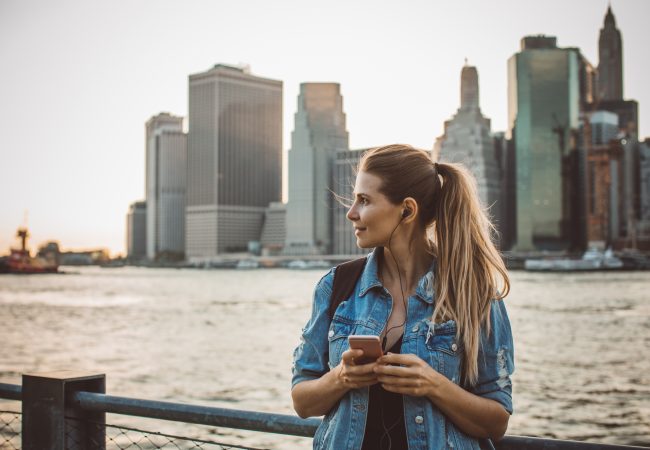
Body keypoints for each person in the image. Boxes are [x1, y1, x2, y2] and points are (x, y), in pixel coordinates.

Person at [291, 144, 514, 450]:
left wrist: (433, 385)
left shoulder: (472, 291)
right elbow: (302, 401)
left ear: (407, 210)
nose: (351, 213)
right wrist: (342, 376)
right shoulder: (336, 286)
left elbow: (496, 421)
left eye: (364, 201)